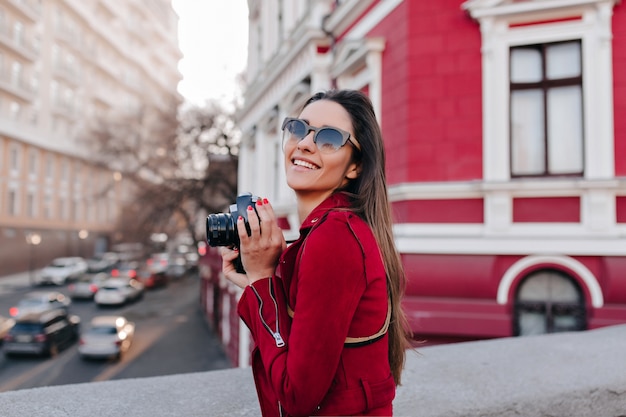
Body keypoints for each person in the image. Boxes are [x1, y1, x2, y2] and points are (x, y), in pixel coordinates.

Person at [220, 89, 413, 417]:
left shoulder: (333, 239)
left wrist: (263, 280)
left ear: (354, 167)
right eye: (298, 128)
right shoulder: (333, 231)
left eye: (329, 138)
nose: (305, 143)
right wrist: (258, 282)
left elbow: (297, 396)